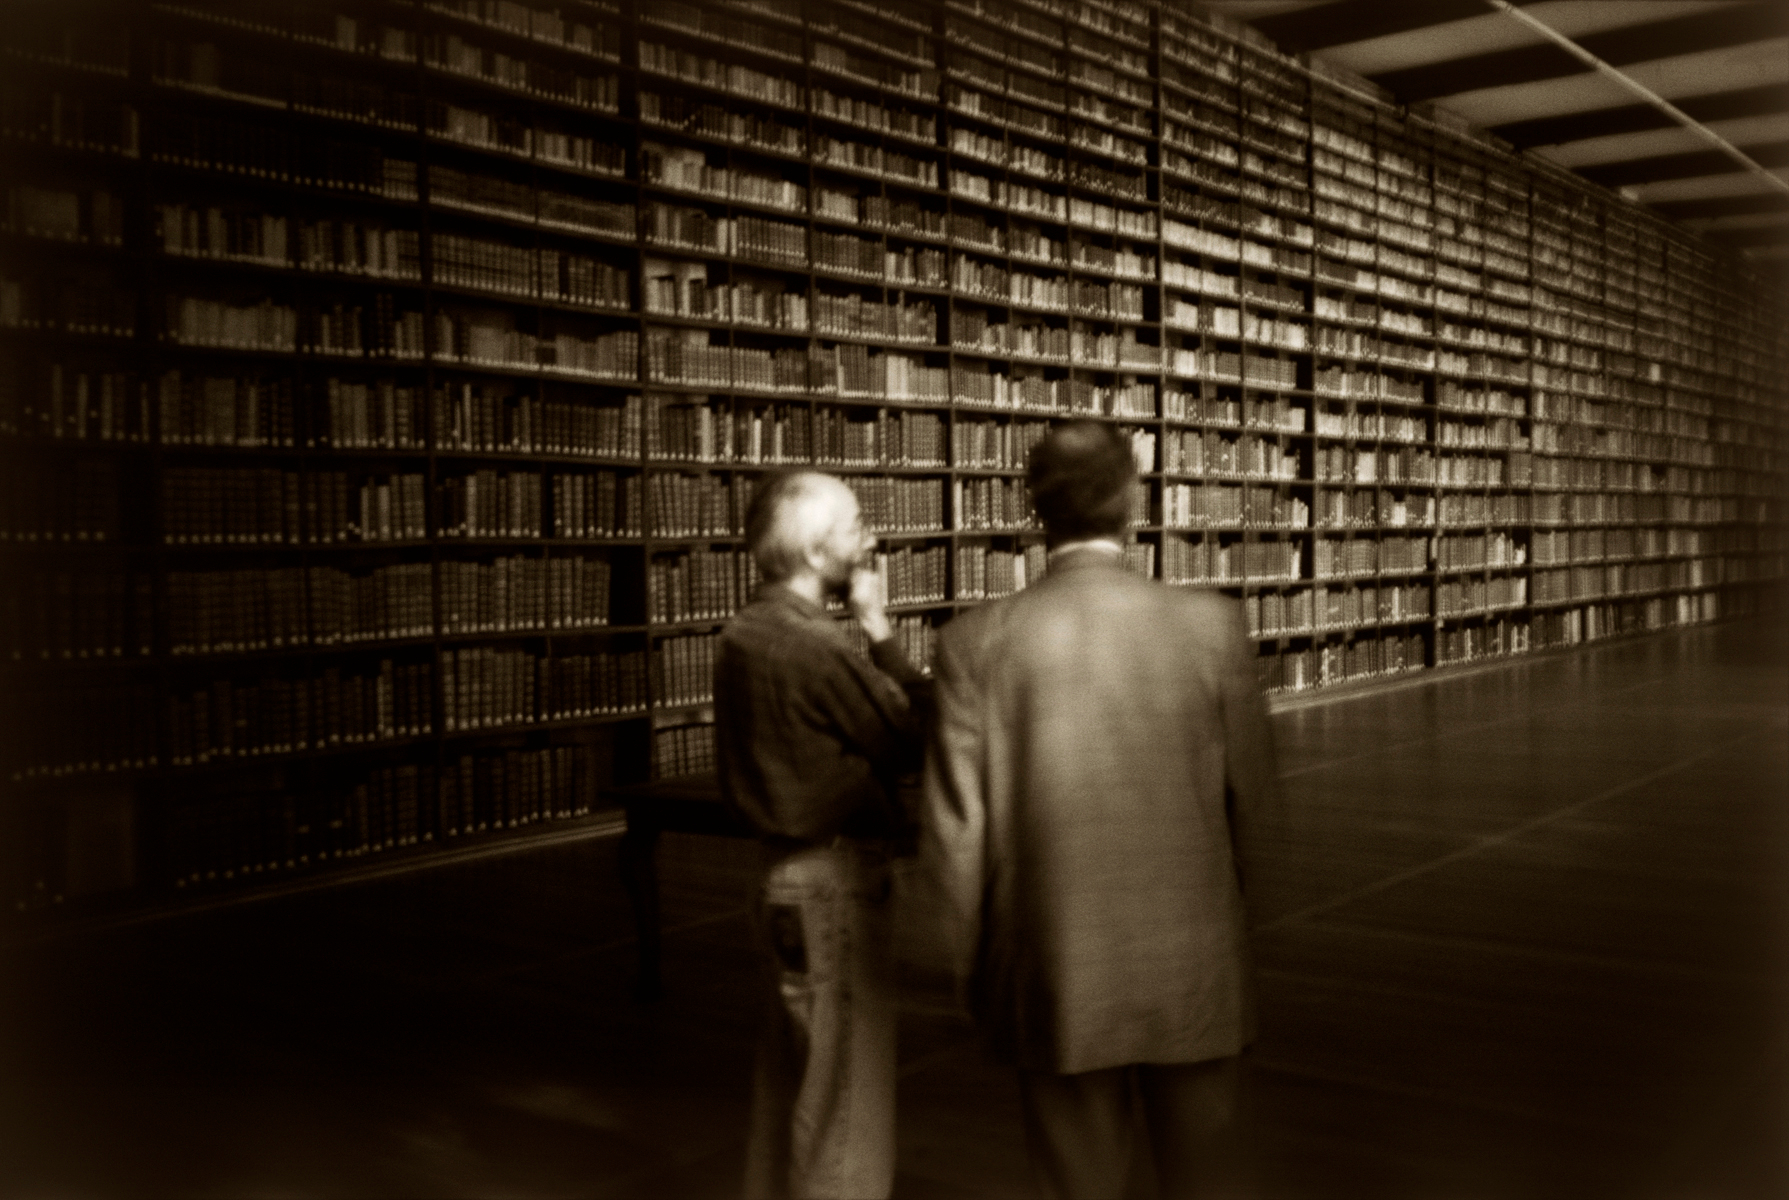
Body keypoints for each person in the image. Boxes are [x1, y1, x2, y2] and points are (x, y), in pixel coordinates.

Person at [921, 420, 1281, 1200]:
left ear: (1032, 507)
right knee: (1209, 1173)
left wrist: (971, 976)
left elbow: (954, 837)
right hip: (1194, 962)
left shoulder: (972, 643)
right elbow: (1253, 806)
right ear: (1133, 499)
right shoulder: (1211, 626)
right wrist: (1246, 946)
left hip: (1055, 962)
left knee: (1074, 1180)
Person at [714, 469, 930, 1200]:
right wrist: (878, 629)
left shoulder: (745, 630)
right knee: (844, 1098)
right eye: (854, 526)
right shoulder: (815, 645)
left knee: (790, 1078)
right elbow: (910, 736)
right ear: (812, 551)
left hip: (778, 880)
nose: (869, 539)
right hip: (832, 885)